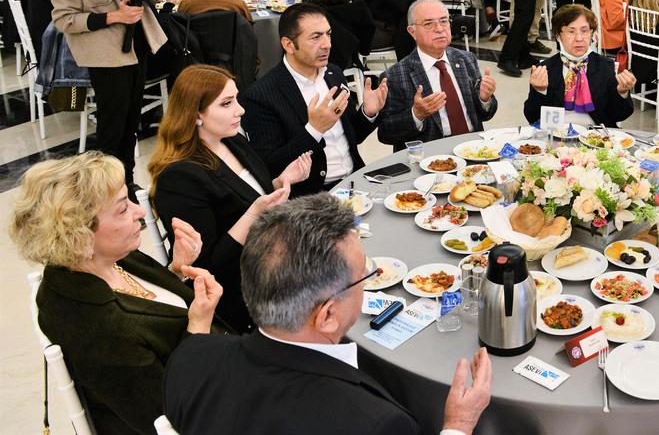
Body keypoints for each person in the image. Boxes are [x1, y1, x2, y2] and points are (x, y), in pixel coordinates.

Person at [163, 194, 491, 435]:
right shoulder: (373, 423)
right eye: (363, 275)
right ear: (328, 316)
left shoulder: (190, 357)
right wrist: (457, 426)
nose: (368, 279)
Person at [10, 152, 227, 435]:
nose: (140, 212)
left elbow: (145, 308)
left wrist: (175, 272)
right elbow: (172, 416)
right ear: (79, 235)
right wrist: (199, 325)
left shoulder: (104, 259)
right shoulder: (98, 327)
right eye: (123, 208)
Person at [149, 65, 312, 331]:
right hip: (244, 291)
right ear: (196, 114)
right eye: (227, 103)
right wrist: (254, 214)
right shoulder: (179, 178)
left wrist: (280, 181)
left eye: (236, 99)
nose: (241, 110)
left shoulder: (231, 141)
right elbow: (207, 265)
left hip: (277, 260)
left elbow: (245, 197)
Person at [48, 0, 168, 190]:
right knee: (112, 130)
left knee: (131, 125)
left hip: (138, 44)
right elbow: (64, 19)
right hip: (105, 54)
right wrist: (114, 16)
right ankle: (108, 191)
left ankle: (126, 184)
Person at [240, 3, 388, 193]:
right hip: (312, 195)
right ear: (288, 44)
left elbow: (353, 136)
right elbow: (270, 166)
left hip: (355, 182)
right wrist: (314, 130)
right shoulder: (261, 96)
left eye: (328, 34)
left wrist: (368, 113)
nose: (327, 44)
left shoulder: (333, 74)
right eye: (316, 37)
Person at [377, 0, 498, 147]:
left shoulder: (466, 59)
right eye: (428, 23)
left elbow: (486, 115)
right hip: (431, 154)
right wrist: (416, 115)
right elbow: (386, 133)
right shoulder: (394, 75)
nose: (439, 29)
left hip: (473, 148)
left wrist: (484, 99)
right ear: (412, 32)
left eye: (444, 21)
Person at [524, 4, 636, 127]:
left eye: (584, 31)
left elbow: (619, 115)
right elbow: (532, 118)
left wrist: (622, 92)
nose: (579, 38)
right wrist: (540, 91)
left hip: (596, 134)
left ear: (591, 34)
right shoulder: (545, 69)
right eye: (571, 32)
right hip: (557, 134)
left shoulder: (605, 67)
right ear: (558, 36)